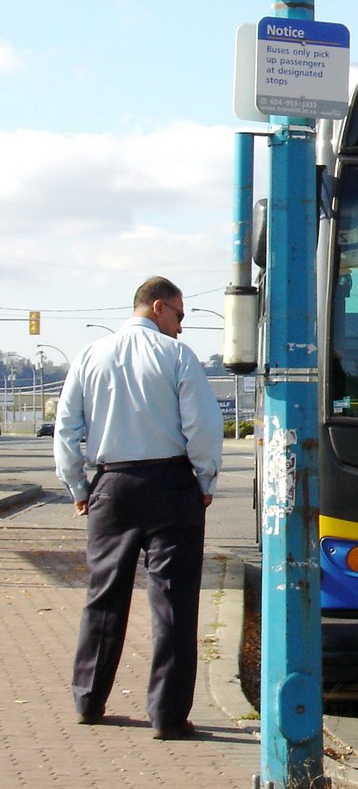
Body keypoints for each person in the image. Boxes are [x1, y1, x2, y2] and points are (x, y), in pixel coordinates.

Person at [53, 276, 224, 739]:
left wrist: (78, 486)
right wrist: (205, 477)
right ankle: (167, 715)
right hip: (170, 483)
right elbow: (203, 426)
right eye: (179, 315)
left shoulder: (90, 355)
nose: (182, 327)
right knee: (172, 601)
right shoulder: (176, 357)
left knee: (103, 596)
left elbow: (66, 426)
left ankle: (89, 699)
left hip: (112, 483)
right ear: (156, 307)